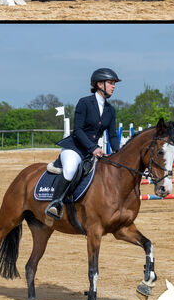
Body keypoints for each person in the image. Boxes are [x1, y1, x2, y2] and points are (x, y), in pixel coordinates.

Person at [45, 68, 121, 220]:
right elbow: (78, 130)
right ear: (100, 84)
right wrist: (93, 148)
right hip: (75, 148)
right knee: (71, 169)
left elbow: (112, 135)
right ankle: (55, 204)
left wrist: (119, 154)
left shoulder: (110, 110)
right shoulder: (85, 103)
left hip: (91, 152)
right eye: (111, 83)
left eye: (114, 83)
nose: (114, 86)